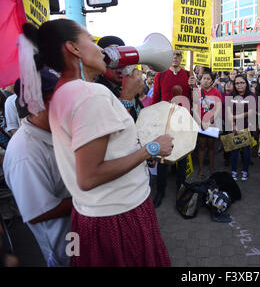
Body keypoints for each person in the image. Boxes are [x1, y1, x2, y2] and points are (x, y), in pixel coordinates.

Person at [22, 19, 173, 267]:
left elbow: (108, 149)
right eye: (91, 40)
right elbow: (89, 176)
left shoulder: (64, 91)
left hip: (94, 215)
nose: (101, 50)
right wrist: (151, 149)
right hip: (120, 216)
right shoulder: (91, 94)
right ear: (74, 48)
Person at [3, 69, 72, 267]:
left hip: (79, 234)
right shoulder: (24, 153)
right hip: (65, 247)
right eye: (57, 98)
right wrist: (86, 199)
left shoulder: (57, 131)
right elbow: (39, 212)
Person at [151, 49, 196, 208]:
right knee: (163, 156)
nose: (175, 58)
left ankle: (181, 187)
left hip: (183, 121)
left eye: (178, 55)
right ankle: (161, 190)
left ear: (182, 58)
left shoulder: (188, 75)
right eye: (172, 55)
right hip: (165, 121)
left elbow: (195, 100)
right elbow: (156, 99)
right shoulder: (160, 75)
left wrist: (194, 87)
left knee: (182, 155)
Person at [95, 36, 145, 122]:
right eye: (113, 62)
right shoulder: (98, 91)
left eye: (123, 61)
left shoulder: (126, 85)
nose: (119, 67)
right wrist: (127, 99)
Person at [224, 74, 257, 181]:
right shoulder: (230, 95)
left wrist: (236, 116)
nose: (239, 85)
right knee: (234, 151)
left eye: (242, 82)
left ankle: (245, 171)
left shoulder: (252, 96)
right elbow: (228, 112)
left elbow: (251, 112)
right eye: (237, 83)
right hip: (232, 126)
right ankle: (234, 171)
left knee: (246, 151)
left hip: (247, 126)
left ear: (246, 83)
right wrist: (233, 124)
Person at [194, 70, 222, 180]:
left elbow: (218, 108)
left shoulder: (216, 92)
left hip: (212, 124)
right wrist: (201, 122)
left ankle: (211, 167)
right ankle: (200, 169)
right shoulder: (197, 92)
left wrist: (210, 121)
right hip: (200, 124)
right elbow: (195, 109)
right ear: (200, 80)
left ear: (212, 81)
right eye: (204, 78)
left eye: (208, 79)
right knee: (201, 147)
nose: (206, 81)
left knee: (211, 147)